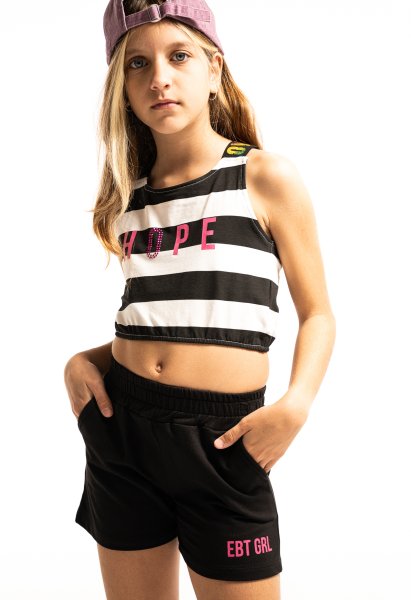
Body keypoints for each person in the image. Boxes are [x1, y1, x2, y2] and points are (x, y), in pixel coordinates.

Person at [63, 1, 336, 598]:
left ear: (214, 70)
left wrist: (297, 405)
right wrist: (84, 361)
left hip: (223, 443)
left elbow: (318, 313)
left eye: (179, 56)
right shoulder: (130, 200)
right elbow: (162, 320)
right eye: (137, 64)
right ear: (122, 89)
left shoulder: (263, 177)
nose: (159, 77)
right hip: (122, 434)